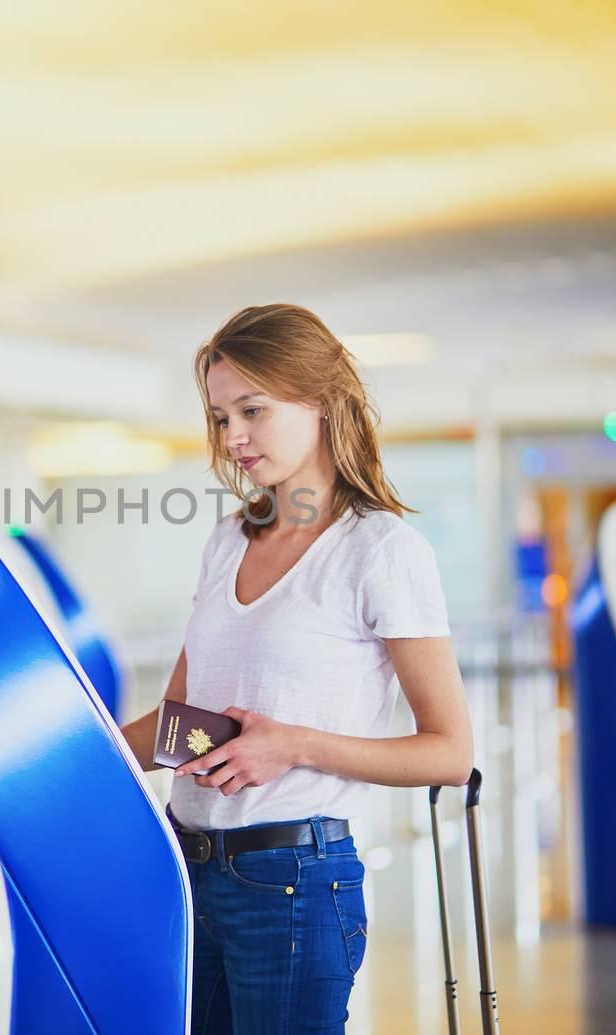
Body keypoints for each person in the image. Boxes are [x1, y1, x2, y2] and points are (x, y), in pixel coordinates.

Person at [121, 303, 474, 1035]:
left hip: (291, 882)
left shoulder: (379, 550)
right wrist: (73, 759)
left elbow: (449, 751)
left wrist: (295, 744)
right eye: (220, 417)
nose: (232, 436)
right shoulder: (228, 539)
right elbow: (179, 722)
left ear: (320, 401)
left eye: (252, 409)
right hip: (187, 870)